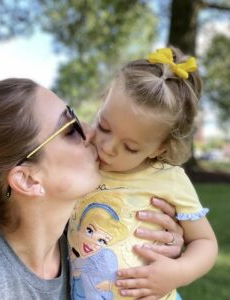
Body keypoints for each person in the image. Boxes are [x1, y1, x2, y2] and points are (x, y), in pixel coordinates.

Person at [0, 78, 183, 300]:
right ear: (28, 179)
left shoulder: (94, 240)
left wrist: (163, 257)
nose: (92, 132)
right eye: (70, 129)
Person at [68, 47, 218, 300]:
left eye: (130, 147)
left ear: (159, 148)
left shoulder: (168, 179)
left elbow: (205, 242)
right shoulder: (81, 160)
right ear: (103, 101)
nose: (107, 147)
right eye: (104, 127)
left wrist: (178, 271)